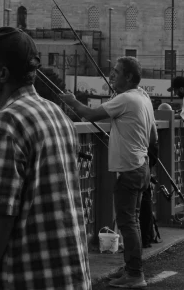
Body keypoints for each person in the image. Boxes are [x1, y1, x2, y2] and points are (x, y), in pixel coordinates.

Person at [0, 27, 91, 290]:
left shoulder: (8, 122)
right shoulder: (55, 112)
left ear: (2, 74)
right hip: (70, 273)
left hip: (29, 275)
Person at [62, 56, 156, 289]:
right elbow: (153, 136)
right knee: (131, 221)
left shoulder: (125, 99)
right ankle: (132, 269)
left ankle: (135, 275)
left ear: (128, 77)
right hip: (141, 165)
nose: (112, 75)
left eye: (116, 72)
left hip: (129, 169)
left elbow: (90, 114)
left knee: (128, 224)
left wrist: (71, 101)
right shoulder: (143, 97)